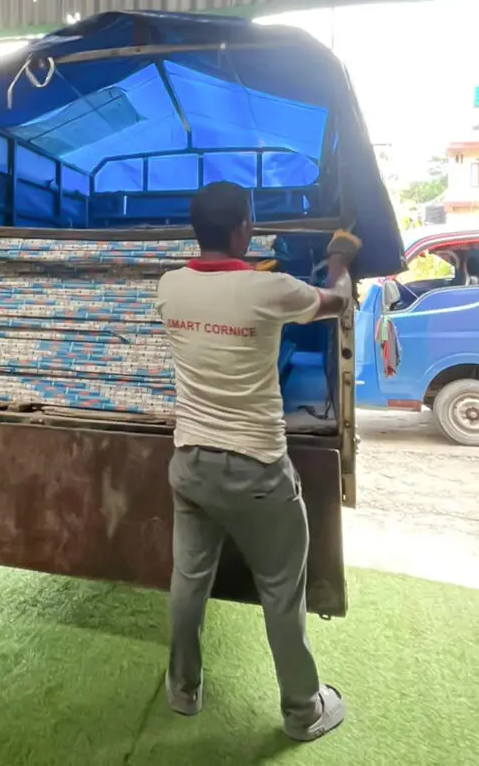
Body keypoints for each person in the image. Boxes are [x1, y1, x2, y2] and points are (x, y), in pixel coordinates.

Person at [154, 181, 359, 742]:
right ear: (244, 229)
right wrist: (339, 256)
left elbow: (218, 300)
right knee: (281, 592)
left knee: (188, 583)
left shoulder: (169, 287)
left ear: (196, 231)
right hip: (258, 474)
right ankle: (302, 710)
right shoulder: (271, 289)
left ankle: (183, 689)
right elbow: (336, 301)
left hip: (190, 465)